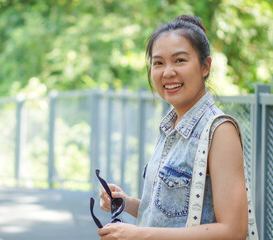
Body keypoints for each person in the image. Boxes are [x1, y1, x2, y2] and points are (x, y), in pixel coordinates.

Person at [98, 15, 249, 239]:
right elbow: (173, 219)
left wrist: (139, 235)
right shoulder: (170, 128)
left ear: (205, 66)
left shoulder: (219, 131)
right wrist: (127, 203)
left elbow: (233, 230)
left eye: (179, 60)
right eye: (158, 63)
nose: (168, 72)